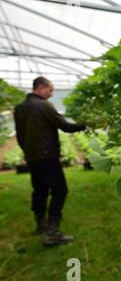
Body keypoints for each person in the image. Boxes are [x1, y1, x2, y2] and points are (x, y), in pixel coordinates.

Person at [14, 77, 86, 246]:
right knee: (60, 190)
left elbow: (19, 135)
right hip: (47, 156)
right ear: (40, 88)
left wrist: (27, 151)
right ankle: (53, 232)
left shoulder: (19, 108)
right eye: (50, 90)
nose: (52, 95)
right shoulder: (43, 106)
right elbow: (64, 126)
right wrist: (85, 124)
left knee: (39, 190)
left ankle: (41, 224)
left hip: (32, 158)